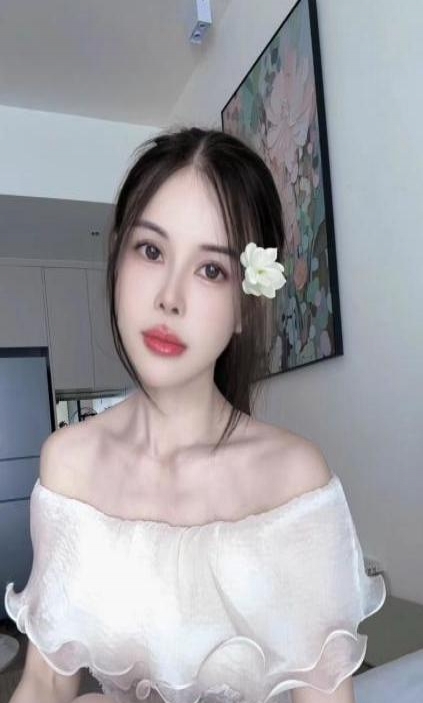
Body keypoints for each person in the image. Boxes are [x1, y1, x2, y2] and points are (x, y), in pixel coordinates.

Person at [4, 127, 386, 703]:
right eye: (151, 251)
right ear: (118, 259)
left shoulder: (294, 481)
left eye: (211, 270)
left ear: (244, 305)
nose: (170, 297)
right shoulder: (69, 466)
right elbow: (45, 680)